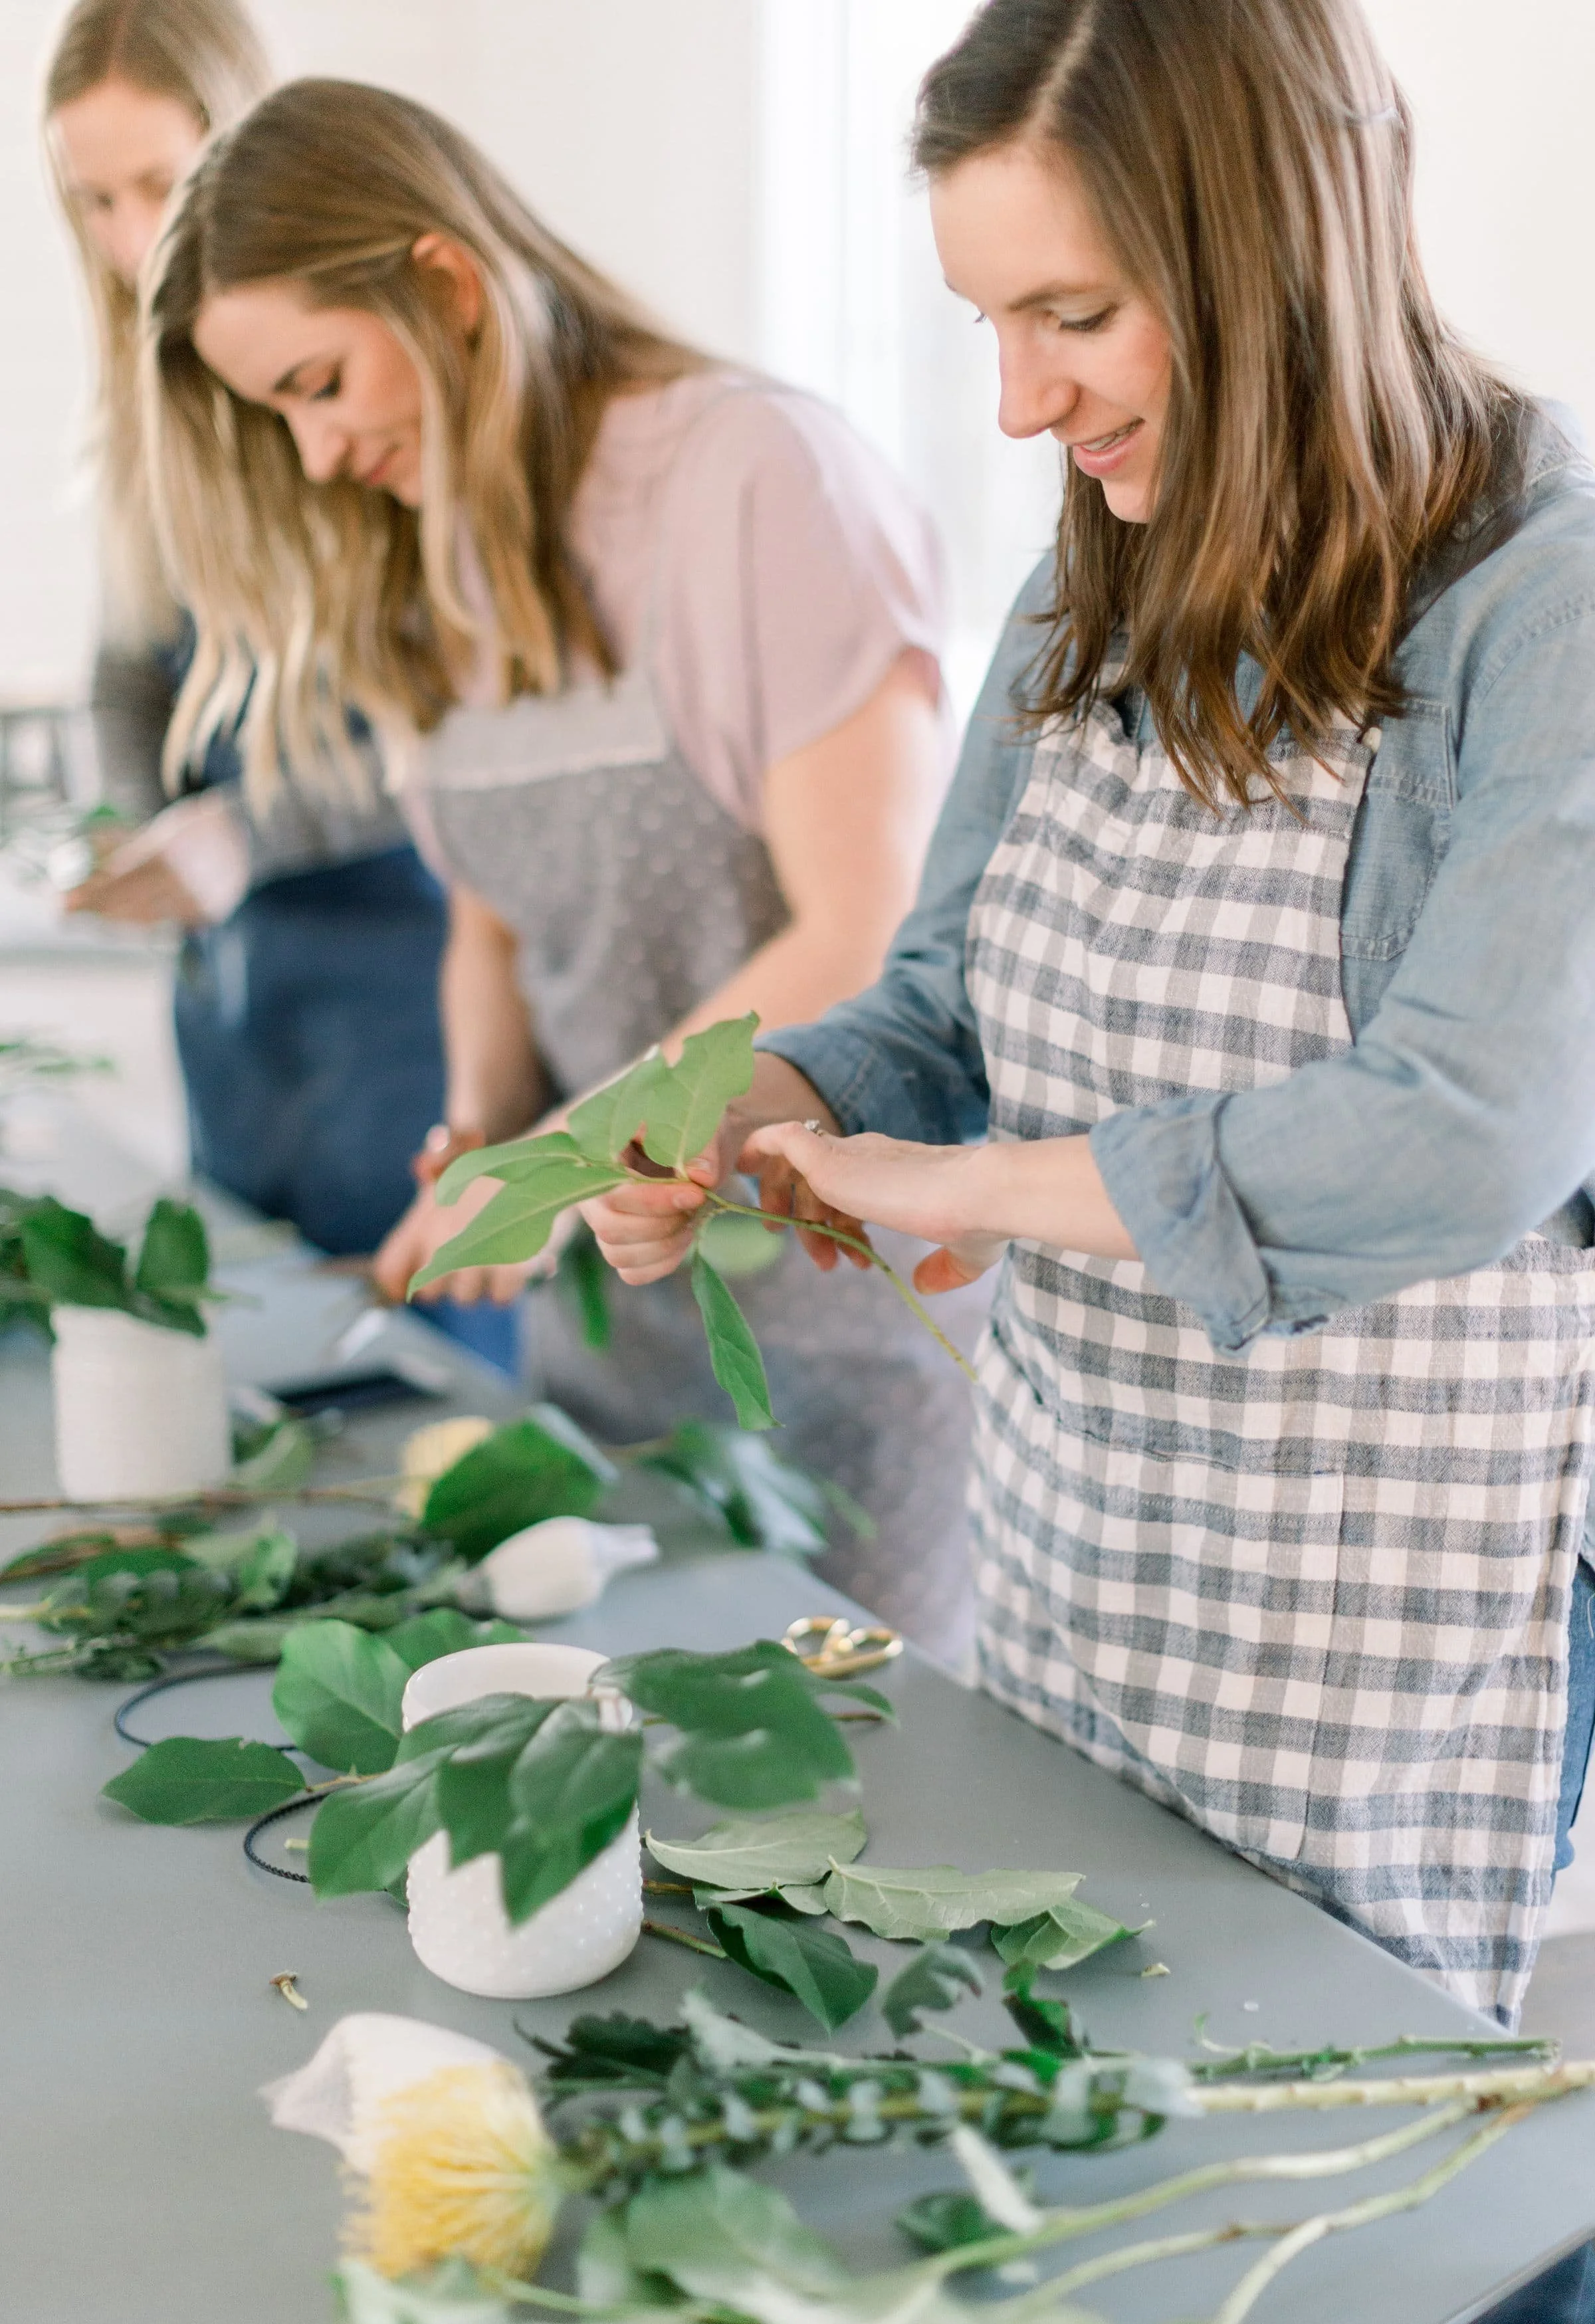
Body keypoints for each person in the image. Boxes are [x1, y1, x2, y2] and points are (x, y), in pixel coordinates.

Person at [590, 0, 1595, 2028]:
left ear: (1274, 261)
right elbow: (951, 993)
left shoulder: (1541, 606)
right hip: (1083, 1553)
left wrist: (967, 1178)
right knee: (1097, 2110)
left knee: (1347, 2196)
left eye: (1075, 316)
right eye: (985, 323)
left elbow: (1468, 1135)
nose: (1019, 406)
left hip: (1385, 1619)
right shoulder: (1084, 597)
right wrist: (759, 1095)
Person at [139, 79, 976, 1657]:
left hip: (845, 1323)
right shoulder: (425, 557)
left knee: (864, 1803)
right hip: (614, 1328)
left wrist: (555, 1169)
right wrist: (485, 1135)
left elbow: (864, 927)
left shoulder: (756, 480)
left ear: (446, 287)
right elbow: (489, 920)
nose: (316, 455)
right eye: (279, 417)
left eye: (320, 383)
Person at [44, 0, 449, 1259]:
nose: (127, 240)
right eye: (91, 202)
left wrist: (249, 828)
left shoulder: (370, 392)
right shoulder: (141, 423)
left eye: (156, 185)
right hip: (237, 997)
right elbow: (126, 675)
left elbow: (462, 723)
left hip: (402, 989)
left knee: (421, 1371)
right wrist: (132, 818)